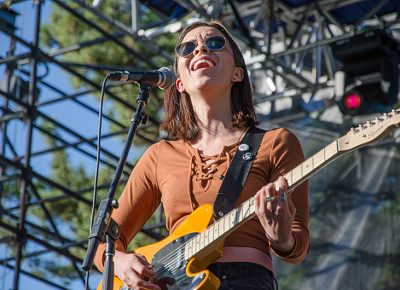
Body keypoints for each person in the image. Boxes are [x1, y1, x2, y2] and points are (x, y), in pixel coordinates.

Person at [94, 20, 309, 290]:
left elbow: (298, 246)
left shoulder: (276, 142)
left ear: (237, 74)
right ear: (179, 83)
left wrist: (281, 238)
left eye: (215, 43)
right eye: (187, 48)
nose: (200, 49)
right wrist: (122, 264)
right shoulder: (160, 155)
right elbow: (104, 244)